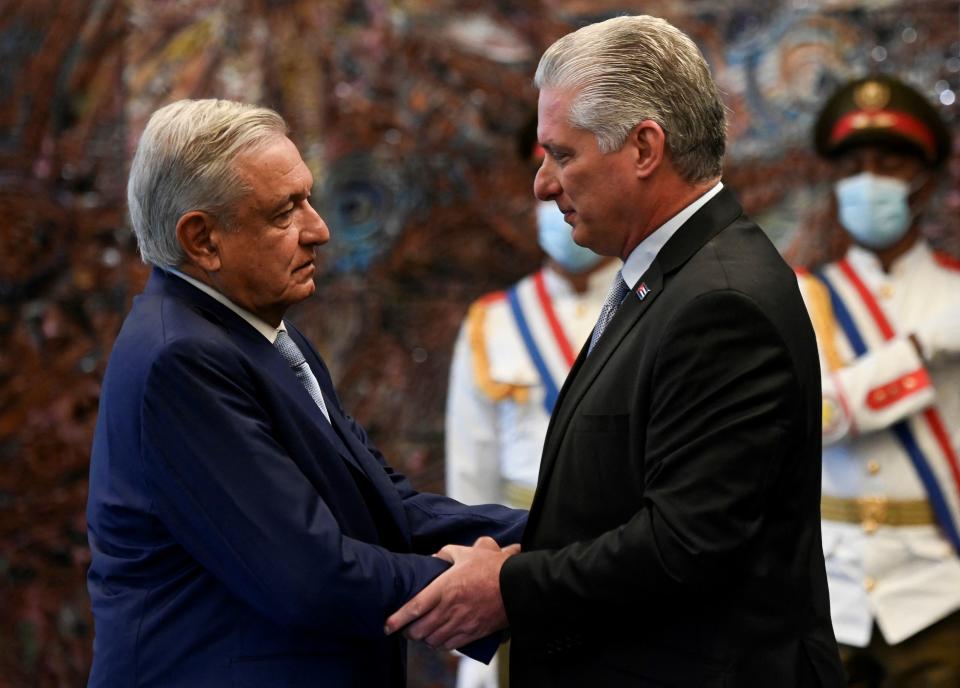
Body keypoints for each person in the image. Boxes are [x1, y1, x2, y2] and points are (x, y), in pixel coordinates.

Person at [386, 14, 845, 686]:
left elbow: (685, 543)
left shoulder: (719, 300)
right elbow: (615, 500)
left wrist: (510, 585)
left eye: (562, 155)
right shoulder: (673, 274)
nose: (542, 185)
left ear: (643, 148)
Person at [85, 98, 526, 688]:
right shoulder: (181, 360)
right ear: (202, 239)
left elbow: (383, 507)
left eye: (308, 199)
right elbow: (308, 576)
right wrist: (487, 587)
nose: (318, 230)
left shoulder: (255, 335)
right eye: (283, 213)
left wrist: (563, 535)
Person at [796, 75, 960, 687]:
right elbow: (818, 419)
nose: (870, 181)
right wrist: (924, 348)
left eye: (889, 164)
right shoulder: (798, 298)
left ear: (926, 180)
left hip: (941, 590)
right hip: (828, 592)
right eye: (854, 166)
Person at [445, 119, 616, 688]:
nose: (553, 193)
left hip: (629, 567)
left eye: (569, 168)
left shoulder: (657, 302)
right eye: (541, 173)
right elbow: (469, 485)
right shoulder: (493, 322)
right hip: (523, 573)